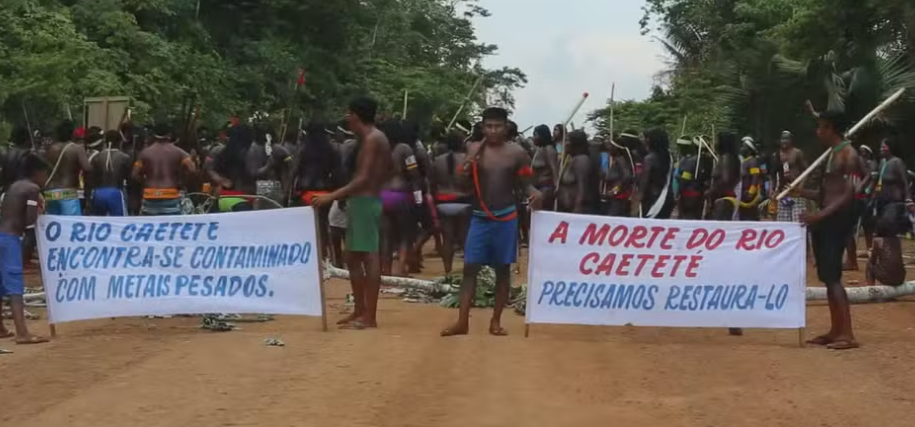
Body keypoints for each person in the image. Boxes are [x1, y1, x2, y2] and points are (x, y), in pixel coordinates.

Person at [441, 107, 542, 337]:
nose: (493, 130)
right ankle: (462, 322)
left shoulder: (517, 153)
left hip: (505, 218)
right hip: (479, 218)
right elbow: (459, 182)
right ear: (482, 127)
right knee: (470, 269)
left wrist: (535, 193)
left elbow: (526, 183)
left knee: (502, 271)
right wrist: (467, 164)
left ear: (506, 127)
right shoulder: (473, 149)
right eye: (488, 126)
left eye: (497, 126)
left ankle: (495, 321)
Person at [313, 96, 390, 330]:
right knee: (353, 257)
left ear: (356, 116)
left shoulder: (372, 139)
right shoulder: (372, 138)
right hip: (363, 200)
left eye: (349, 113)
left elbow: (364, 177)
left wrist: (333, 195)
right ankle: (360, 309)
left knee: (368, 255)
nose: (346, 118)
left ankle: (370, 316)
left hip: (366, 201)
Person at [800, 111, 862, 350]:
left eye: (821, 127)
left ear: (831, 128)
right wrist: (803, 193)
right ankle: (835, 330)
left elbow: (848, 194)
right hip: (826, 219)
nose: (818, 132)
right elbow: (828, 194)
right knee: (827, 276)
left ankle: (847, 334)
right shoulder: (833, 154)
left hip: (836, 220)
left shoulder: (849, 154)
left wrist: (819, 215)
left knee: (834, 278)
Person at [0, 153, 50, 344]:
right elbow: (30, 219)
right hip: (11, 239)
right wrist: (41, 211)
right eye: (45, 174)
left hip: (1, 236)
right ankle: (22, 333)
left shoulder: (14, 186)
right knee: (15, 287)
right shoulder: (32, 188)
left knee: (1, 285)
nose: (45, 179)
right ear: (37, 172)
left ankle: (2, 328)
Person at [707, 132, 744, 336]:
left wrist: (710, 192)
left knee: (720, 258)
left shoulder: (726, 159)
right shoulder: (729, 159)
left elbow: (725, 182)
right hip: (722, 203)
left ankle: (732, 317)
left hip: (723, 204)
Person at [295, 121, 343, 261]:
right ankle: (324, 257)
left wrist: (288, 194)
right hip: (325, 193)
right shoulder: (332, 149)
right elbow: (338, 173)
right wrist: (340, 196)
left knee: (307, 227)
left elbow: (294, 171)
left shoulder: (303, 149)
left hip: (305, 193)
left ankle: (309, 258)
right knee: (323, 225)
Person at [429, 132, 472, 275]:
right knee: (465, 238)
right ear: (462, 143)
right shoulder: (467, 160)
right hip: (464, 202)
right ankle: (468, 271)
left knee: (447, 239)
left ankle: (448, 270)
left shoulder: (437, 161)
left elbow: (432, 184)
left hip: (443, 203)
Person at [133, 124, 196, 215]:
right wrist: (181, 182)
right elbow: (192, 170)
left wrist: (145, 182)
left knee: (151, 225)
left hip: (149, 194)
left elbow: (135, 174)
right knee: (171, 227)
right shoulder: (179, 152)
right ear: (169, 135)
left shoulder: (144, 153)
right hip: (170, 194)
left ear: (154, 135)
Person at [43, 121, 91, 216]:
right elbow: (87, 168)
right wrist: (88, 192)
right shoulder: (76, 149)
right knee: (71, 226)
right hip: (67, 194)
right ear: (72, 133)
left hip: (50, 194)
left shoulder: (49, 150)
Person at [208, 125, 256, 212]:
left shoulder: (223, 152)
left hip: (223, 198)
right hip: (243, 199)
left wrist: (220, 180)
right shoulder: (249, 153)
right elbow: (255, 173)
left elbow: (210, 169)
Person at [86, 130, 131, 216]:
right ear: (119, 142)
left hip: (98, 194)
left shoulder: (97, 157)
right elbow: (130, 179)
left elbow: (90, 179)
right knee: (118, 223)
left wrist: (89, 198)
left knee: (99, 222)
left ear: (105, 142)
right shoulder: (124, 158)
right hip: (116, 193)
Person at [247, 126, 293, 209]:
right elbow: (253, 173)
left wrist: (286, 190)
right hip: (258, 189)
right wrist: (268, 166)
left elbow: (289, 169)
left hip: (276, 188)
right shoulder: (252, 149)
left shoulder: (278, 149)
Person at [557, 130, 598, 214]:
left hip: (579, 210)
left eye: (568, 140)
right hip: (568, 209)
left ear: (576, 143)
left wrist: (578, 207)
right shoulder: (569, 159)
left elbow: (582, 187)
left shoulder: (581, 160)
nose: (565, 143)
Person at [771, 131, 808, 222]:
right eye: (782, 138)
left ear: (791, 140)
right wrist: (772, 190)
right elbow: (773, 174)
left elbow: (806, 171)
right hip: (783, 192)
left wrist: (800, 187)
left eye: (786, 138)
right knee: (784, 222)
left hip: (796, 192)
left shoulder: (797, 153)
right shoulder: (776, 155)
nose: (784, 141)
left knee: (798, 221)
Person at [638, 128, 675, 219]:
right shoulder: (670, 157)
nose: (643, 141)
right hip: (667, 198)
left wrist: (637, 201)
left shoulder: (649, 159)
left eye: (646, 138)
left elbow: (644, 182)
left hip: (653, 200)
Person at [601, 133, 636, 217]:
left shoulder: (620, 160)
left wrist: (615, 190)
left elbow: (627, 176)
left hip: (618, 198)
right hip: (616, 198)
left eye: (610, 146)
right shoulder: (616, 160)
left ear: (616, 148)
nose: (608, 148)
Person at [865, 220, 906, 287]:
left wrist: (870, 254)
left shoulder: (878, 240)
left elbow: (873, 260)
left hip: (887, 277)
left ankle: (871, 288)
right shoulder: (897, 240)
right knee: (887, 267)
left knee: (869, 266)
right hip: (901, 277)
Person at [530, 124, 559, 211]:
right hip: (537, 188)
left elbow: (554, 168)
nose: (534, 137)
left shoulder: (549, 149)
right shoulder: (539, 149)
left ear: (542, 135)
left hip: (545, 189)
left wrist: (557, 186)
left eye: (536, 135)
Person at [674, 136, 703, 219]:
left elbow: (686, 179)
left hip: (689, 195)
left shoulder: (691, 160)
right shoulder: (688, 159)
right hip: (691, 194)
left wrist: (678, 193)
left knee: (687, 217)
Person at [738, 137, 764, 221]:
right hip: (743, 194)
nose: (741, 148)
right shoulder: (744, 161)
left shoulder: (752, 161)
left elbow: (755, 177)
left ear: (749, 149)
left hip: (749, 196)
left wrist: (751, 192)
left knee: (750, 216)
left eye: (744, 146)